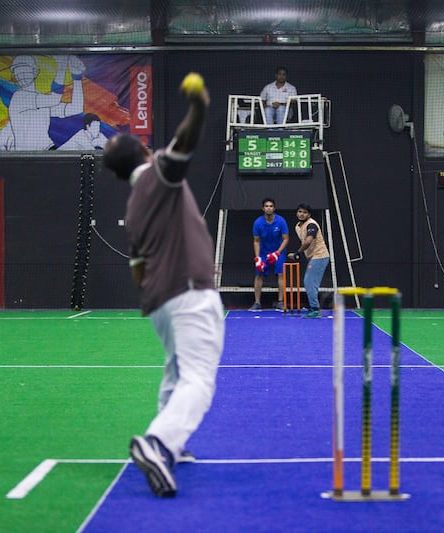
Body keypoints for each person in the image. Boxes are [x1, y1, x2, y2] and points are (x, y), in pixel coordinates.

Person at [101, 74, 225, 498]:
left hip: (159, 301)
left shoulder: (134, 207)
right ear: (146, 153)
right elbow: (186, 142)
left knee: (176, 369)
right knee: (199, 380)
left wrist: (158, 295)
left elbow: (138, 269)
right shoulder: (159, 174)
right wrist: (201, 106)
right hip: (189, 290)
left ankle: (176, 444)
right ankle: (158, 443)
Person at [287, 203, 330, 318]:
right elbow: (305, 243)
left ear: (309, 214)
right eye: (300, 211)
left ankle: (315, 309)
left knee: (309, 282)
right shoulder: (298, 226)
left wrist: (298, 253)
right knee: (310, 283)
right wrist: (301, 254)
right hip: (313, 257)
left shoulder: (312, 224)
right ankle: (314, 308)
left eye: (305, 212)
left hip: (320, 256)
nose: (302, 214)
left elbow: (308, 241)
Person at [250, 198, 289, 312]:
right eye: (266, 206)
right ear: (263, 208)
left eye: (271, 206)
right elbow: (256, 241)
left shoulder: (281, 221)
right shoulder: (258, 223)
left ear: (274, 208)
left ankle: (280, 302)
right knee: (258, 275)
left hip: (278, 251)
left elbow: (286, 239)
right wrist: (257, 258)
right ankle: (257, 302)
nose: (269, 208)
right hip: (263, 252)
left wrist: (277, 253)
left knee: (281, 274)